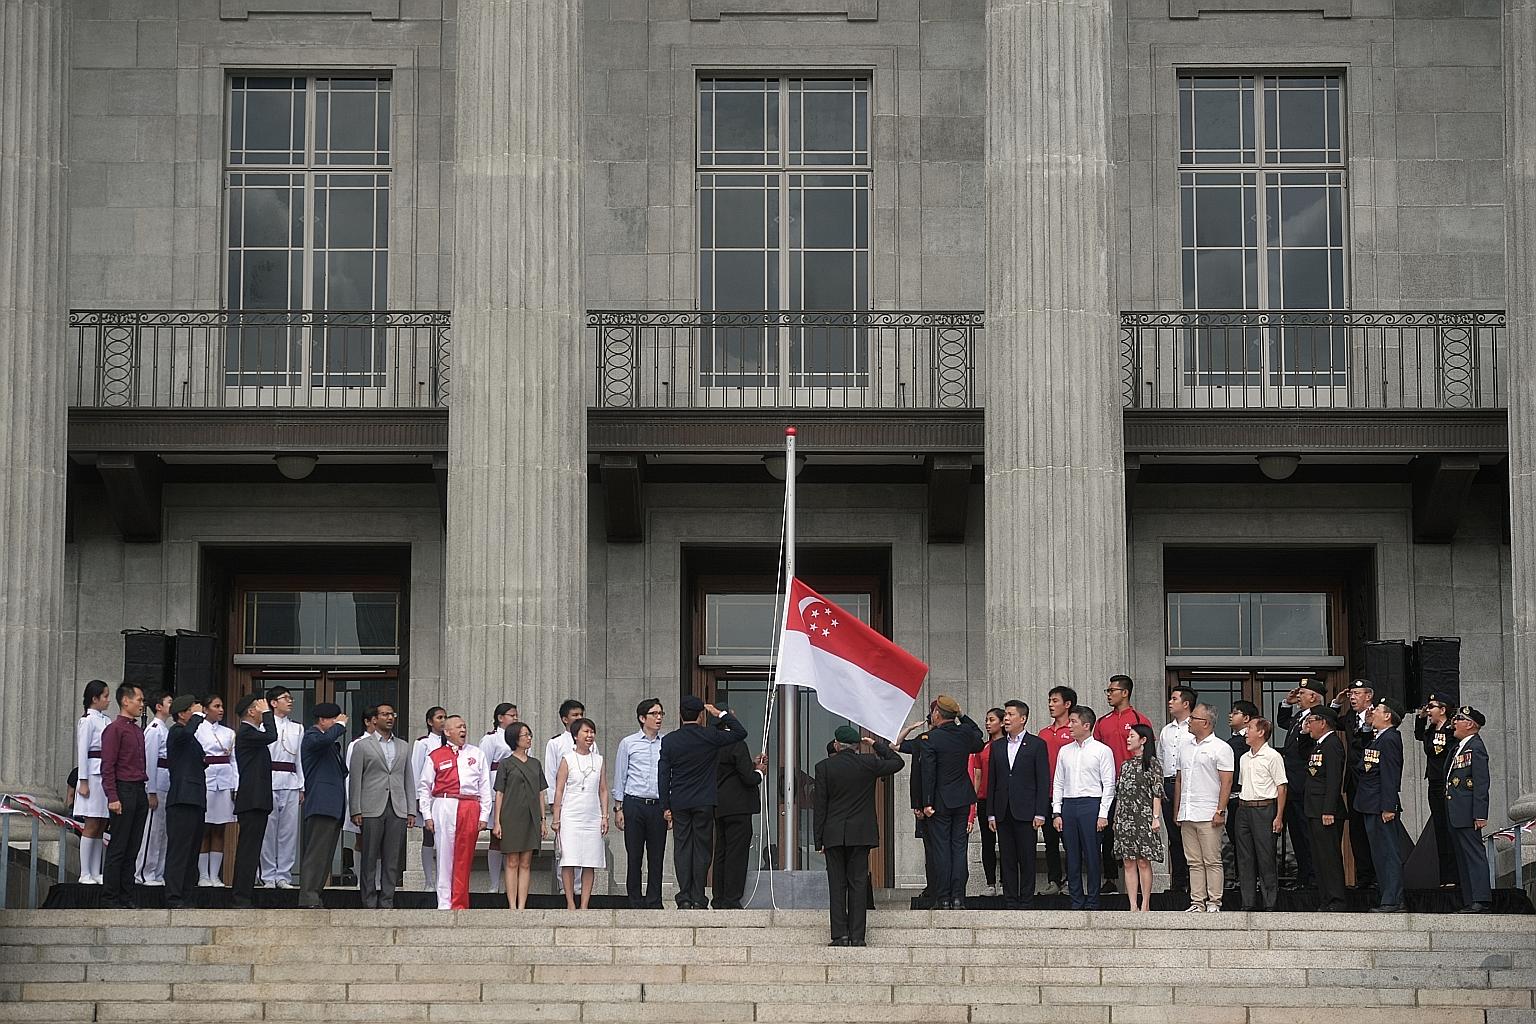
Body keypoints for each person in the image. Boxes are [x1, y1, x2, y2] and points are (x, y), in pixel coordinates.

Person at [814, 725, 903, 946]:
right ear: (856, 746)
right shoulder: (868, 763)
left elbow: (820, 806)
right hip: (861, 833)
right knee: (858, 884)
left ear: (836, 744)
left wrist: (819, 839)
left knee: (837, 886)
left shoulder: (824, 767)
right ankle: (857, 936)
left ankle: (840, 935)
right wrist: (875, 744)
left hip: (834, 833)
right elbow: (897, 762)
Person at [659, 696, 747, 909]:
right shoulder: (709, 735)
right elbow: (740, 733)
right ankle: (698, 897)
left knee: (682, 848)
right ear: (700, 715)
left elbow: (663, 775)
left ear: (681, 716)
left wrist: (665, 805)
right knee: (702, 849)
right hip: (704, 801)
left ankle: (684, 897)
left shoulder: (670, 740)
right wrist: (720, 714)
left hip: (679, 801)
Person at [918, 695, 985, 910]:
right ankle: (958, 897)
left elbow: (928, 772)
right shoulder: (964, 734)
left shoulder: (931, 738)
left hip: (940, 801)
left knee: (942, 850)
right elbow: (978, 735)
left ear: (937, 714)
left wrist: (926, 801)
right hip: (962, 798)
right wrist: (962, 716)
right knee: (958, 849)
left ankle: (944, 898)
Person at [419, 714, 493, 910]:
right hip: (445, 804)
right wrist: (427, 815)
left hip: (469, 805)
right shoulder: (435, 755)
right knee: (444, 854)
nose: (463, 730)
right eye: (459, 727)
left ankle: (460, 902)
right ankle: (444, 903)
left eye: (465, 726)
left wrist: (484, 815)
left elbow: (485, 786)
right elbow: (424, 787)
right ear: (447, 731)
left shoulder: (476, 754)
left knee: (465, 855)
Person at [349, 701, 415, 909]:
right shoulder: (362, 746)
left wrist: (411, 810)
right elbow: (355, 780)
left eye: (392, 714)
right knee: (369, 854)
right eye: (384, 714)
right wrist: (355, 809)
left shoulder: (403, 746)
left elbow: (408, 779)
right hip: (371, 806)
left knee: (392, 856)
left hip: (397, 806)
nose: (389, 718)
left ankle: (387, 899)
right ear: (374, 719)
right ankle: (368, 899)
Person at [985, 699, 1050, 910]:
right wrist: (991, 814)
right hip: (1003, 811)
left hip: (1027, 811)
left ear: (1023, 719)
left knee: (1027, 857)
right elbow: (992, 781)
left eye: (1011, 714)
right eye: (1005, 714)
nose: (1006, 718)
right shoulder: (997, 746)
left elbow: (1043, 781)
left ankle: (1026, 899)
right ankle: (1010, 899)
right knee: (1007, 857)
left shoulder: (1037, 744)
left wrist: (1041, 812)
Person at [1052, 705, 1116, 910]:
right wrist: (1057, 811)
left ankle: (1093, 900)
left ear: (1086, 725)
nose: (1069, 726)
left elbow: (1109, 785)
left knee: (1092, 854)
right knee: (1071, 854)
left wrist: (1103, 814)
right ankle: (1076, 900)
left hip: (1092, 803)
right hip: (1069, 804)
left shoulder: (1102, 750)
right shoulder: (1064, 750)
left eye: (1073, 722)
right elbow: (1058, 782)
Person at [1094, 675, 1152, 893]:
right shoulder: (1102, 721)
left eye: (1112, 690)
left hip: (1135, 787)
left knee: (1135, 833)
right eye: (1107, 691)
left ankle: (1137, 883)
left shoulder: (1140, 719)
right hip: (1108, 785)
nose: (1109, 694)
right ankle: (1110, 877)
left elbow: (1149, 753)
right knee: (1108, 832)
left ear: (1125, 692)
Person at [1174, 703, 1234, 912]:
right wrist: (1178, 810)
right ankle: (1197, 901)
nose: (1189, 722)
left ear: (1206, 723)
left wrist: (1220, 810)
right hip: (1188, 812)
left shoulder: (1220, 747)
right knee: (1193, 861)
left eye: (1193, 718)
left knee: (1212, 860)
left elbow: (1226, 782)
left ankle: (1214, 901)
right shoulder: (1185, 746)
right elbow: (1180, 779)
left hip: (1209, 812)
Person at [613, 698, 667, 908]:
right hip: (634, 803)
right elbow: (621, 775)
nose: (659, 717)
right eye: (654, 714)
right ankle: (634, 899)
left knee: (657, 856)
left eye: (661, 713)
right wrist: (618, 808)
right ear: (642, 718)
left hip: (658, 805)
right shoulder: (628, 743)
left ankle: (654, 900)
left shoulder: (666, 743)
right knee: (634, 855)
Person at [100, 683, 149, 907]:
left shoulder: (137, 729)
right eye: (138, 700)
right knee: (119, 846)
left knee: (133, 847)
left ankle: (127, 896)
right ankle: (111, 897)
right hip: (123, 789)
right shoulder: (115, 729)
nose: (141, 704)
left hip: (139, 789)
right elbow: (107, 765)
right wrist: (112, 796)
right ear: (125, 701)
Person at [1355, 697, 1407, 913]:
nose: (1372, 711)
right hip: (1370, 804)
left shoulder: (1390, 739)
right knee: (1379, 854)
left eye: (1377, 709)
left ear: (1388, 716)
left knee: (1388, 853)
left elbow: (1390, 775)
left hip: (1380, 805)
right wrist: (1367, 726)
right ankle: (1387, 896)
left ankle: (1393, 900)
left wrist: (1388, 807)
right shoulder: (1378, 738)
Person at [553, 717, 609, 910]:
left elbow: (603, 789)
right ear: (575, 736)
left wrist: (604, 816)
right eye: (585, 732)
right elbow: (559, 789)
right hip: (571, 814)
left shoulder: (599, 760)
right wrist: (557, 817)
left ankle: (584, 904)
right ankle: (570, 901)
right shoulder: (567, 759)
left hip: (592, 814)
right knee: (569, 859)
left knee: (589, 860)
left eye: (592, 732)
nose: (590, 735)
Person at [1233, 718, 1287, 913]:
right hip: (1244, 808)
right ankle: (1247, 901)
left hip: (1264, 808)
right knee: (1245, 857)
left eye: (1249, 728)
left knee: (1265, 856)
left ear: (1261, 732)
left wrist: (1279, 816)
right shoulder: (1244, 758)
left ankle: (1269, 902)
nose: (1246, 732)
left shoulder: (1272, 756)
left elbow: (1281, 787)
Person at [298, 703, 349, 909]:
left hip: (333, 806)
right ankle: (308, 896)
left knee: (325, 855)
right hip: (321, 803)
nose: (338, 724)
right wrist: (340, 726)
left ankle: (315, 895)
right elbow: (326, 739)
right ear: (323, 720)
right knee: (316, 853)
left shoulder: (328, 743)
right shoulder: (312, 736)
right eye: (333, 720)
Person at [1276, 678, 1325, 889]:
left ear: (1313, 696)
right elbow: (1282, 722)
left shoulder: (1318, 717)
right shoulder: (1300, 716)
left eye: (1302, 693)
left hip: (1305, 783)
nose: (1299, 697)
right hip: (1292, 785)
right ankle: (1303, 875)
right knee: (1296, 833)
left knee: (1308, 834)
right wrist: (1286, 702)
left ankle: (1314, 876)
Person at [231, 693, 279, 909]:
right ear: (251, 711)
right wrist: (269, 715)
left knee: (252, 848)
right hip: (251, 800)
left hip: (258, 800)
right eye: (260, 708)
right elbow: (272, 735)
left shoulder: (252, 733)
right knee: (248, 850)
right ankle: (241, 896)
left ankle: (245, 892)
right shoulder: (246, 733)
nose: (264, 711)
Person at [492, 721, 547, 909]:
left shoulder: (535, 763)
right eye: (525, 735)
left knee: (526, 862)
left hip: (531, 817)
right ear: (515, 739)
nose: (529, 738)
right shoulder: (506, 764)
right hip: (511, 816)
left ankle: (522, 905)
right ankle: (512, 905)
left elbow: (541, 793)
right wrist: (497, 821)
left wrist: (542, 820)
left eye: (529, 734)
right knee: (512, 861)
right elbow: (499, 793)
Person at [712, 720, 764, 909]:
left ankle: (718, 896)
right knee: (737, 853)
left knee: (721, 852)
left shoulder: (712, 743)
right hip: (739, 806)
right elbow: (748, 777)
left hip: (719, 804)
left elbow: (729, 769)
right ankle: (732, 898)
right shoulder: (736, 743)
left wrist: (751, 764)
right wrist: (759, 771)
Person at [1112, 722, 1163, 913]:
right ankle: (1132, 904)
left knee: (1143, 860)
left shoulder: (1152, 764)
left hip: (1144, 816)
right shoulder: (1125, 765)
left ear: (1143, 740)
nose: (1128, 739)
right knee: (1128, 861)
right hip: (1125, 818)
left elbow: (1157, 792)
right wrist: (1117, 819)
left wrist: (1155, 817)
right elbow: (1120, 794)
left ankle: (1145, 903)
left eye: (1132, 736)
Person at [1445, 706, 1491, 914]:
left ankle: (1480, 898)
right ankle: (1469, 898)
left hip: (1468, 812)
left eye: (1458, 719)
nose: (1454, 722)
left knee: (1473, 854)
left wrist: (1480, 814)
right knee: (1462, 856)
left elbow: (1481, 782)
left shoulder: (1476, 747)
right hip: (1456, 810)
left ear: (1470, 724)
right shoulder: (1460, 746)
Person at [163, 695, 207, 909]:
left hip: (196, 798)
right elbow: (186, 734)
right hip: (182, 799)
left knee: (192, 852)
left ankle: (188, 894)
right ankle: (174, 895)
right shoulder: (177, 732)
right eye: (192, 709)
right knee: (180, 850)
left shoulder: (191, 738)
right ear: (182, 714)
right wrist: (198, 717)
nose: (198, 712)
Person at [260, 686, 304, 890]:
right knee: (268, 831)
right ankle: (268, 875)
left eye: (290, 697)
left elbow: (299, 760)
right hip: (269, 779)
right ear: (273, 702)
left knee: (288, 832)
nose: (290, 701)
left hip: (291, 780)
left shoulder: (298, 728)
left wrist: (301, 785)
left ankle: (283, 875)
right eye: (285, 698)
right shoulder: (263, 726)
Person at [1303, 708, 1347, 911]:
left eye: (1310, 721)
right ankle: (1326, 898)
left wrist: (1328, 810)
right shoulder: (1318, 745)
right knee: (1319, 856)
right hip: (1313, 810)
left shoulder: (1332, 745)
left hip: (1325, 811)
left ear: (1323, 722)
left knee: (1329, 857)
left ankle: (1336, 899)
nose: (1308, 725)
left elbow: (1333, 780)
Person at [1337, 679, 1378, 890]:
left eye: (1357, 693)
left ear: (1368, 695)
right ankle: (1363, 877)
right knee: (1357, 831)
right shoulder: (1350, 718)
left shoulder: (1379, 714)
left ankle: (1377, 876)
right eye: (1351, 694)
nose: (1352, 697)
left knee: (1373, 830)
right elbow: (1328, 720)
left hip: (1371, 782)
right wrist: (1336, 702)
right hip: (1353, 781)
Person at [1413, 692, 1458, 886]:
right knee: (1440, 828)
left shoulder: (1451, 729)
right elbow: (1418, 736)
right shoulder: (1431, 729)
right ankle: (1445, 876)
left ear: (1443, 709)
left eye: (1432, 707)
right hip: (1434, 781)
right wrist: (1420, 719)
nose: (1429, 710)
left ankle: (1454, 876)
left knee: (1449, 829)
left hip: (1446, 781)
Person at [1156, 685, 1196, 894]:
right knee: (1174, 836)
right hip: (1168, 785)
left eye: (1174, 699)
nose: (1170, 702)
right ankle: (1178, 882)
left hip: (1190, 786)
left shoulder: (1195, 728)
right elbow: (1160, 759)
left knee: (1191, 834)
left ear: (1186, 703)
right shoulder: (1166, 730)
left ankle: (1195, 883)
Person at [72, 680, 113, 884]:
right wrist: (83, 781)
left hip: (105, 775)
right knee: (91, 823)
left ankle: (96, 871)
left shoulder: (106, 720)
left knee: (101, 824)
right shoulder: (87, 720)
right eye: (104, 696)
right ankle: (85, 872)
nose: (108, 700)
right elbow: (83, 753)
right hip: (93, 775)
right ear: (94, 699)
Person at [544, 699, 586, 893]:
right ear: (564, 719)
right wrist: (554, 803)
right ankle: (565, 887)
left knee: (582, 845)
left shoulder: (589, 741)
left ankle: (579, 887)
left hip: (585, 801)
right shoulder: (555, 743)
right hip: (565, 801)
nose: (579, 718)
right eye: (574, 715)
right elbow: (550, 775)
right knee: (564, 847)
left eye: (581, 714)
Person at [1038, 686, 1076, 895]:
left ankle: (1072, 880)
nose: (1051, 705)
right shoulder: (1043, 733)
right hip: (1046, 793)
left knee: (1069, 840)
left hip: (1069, 795)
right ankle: (1054, 880)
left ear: (1067, 704)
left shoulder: (1074, 730)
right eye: (1049, 701)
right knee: (1049, 840)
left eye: (1055, 701)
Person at [195, 695, 237, 886]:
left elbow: (233, 760)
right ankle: (203, 875)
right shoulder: (197, 730)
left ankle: (215, 875)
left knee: (220, 828)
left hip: (225, 779)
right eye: (216, 706)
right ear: (205, 708)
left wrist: (236, 784)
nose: (221, 710)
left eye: (222, 706)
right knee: (205, 827)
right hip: (206, 778)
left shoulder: (229, 732)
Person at [894, 717, 936, 899]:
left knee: (941, 851)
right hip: (924, 806)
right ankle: (932, 887)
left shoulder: (952, 740)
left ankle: (943, 889)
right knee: (930, 850)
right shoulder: (922, 740)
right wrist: (910, 727)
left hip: (940, 804)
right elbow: (895, 744)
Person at [479, 703, 517, 894]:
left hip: (516, 792)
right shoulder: (491, 739)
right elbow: (482, 767)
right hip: (497, 790)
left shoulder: (520, 737)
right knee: (496, 837)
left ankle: (511, 884)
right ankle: (494, 884)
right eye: (512, 715)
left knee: (513, 838)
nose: (515, 718)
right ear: (500, 718)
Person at [135, 689, 172, 886]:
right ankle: (144, 872)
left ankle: (157, 872)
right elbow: (150, 761)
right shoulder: (154, 729)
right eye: (169, 701)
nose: (172, 705)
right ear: (158, 706)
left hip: (166, 783)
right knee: (152, 830)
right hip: (156, 782)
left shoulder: (165, 728)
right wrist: (151, 790)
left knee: (162, 831)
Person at [410, 706, 448, 887]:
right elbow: (415, 771)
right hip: (429, 797)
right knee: (429, 836)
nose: (442, 720)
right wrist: (417, 799)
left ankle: (442, 879)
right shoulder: (423, 743)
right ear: (429, 722)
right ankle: (429, 881)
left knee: (445, 837)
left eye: (445, 717)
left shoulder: (451, 743)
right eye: (439, 717)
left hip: (446, 797)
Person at [970, 708, 1005, 897]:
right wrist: (973, 803)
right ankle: (990, 883)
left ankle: (1005, 882)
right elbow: (977, 775)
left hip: (1004, 799)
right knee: (987, 842)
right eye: (986, 720)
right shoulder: (982, 747)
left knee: (1007, 842)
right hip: (984, 798)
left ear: (1001, 723)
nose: (988, 723)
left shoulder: (1009, 744)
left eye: (992, 720)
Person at [1224, 701, 1259, 862]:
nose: (1230, 715)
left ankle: (1252, 881)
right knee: (1236, 839)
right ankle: (1242, 880)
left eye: (1235, 712)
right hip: (1232, 797)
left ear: (1246, 718)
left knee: (1245, 841)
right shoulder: (1234, 740)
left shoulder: (1249, 741)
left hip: (1245, 797)